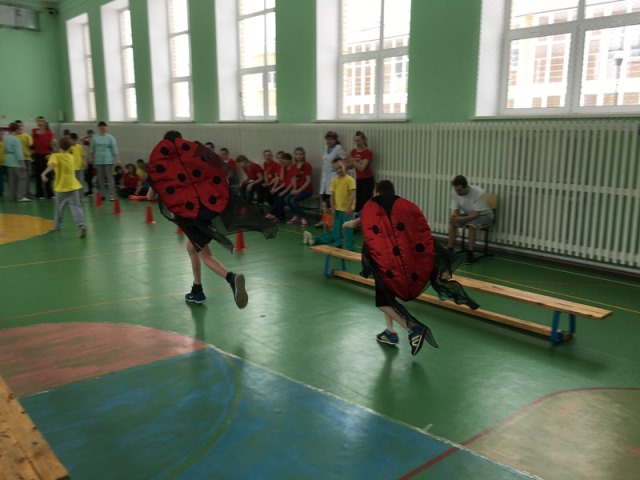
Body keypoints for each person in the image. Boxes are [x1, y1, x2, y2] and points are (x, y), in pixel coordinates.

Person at [146, 131, 277, 309]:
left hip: (189, 217)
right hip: (207, 210)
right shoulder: (193, 158)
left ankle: (231, 278)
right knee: (191, 248)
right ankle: (197, 289)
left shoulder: (162, 167)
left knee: (205, 255)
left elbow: (150, 196)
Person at [347, 180, 478, 356]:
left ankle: (413, 329)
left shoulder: (374, 207)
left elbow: (361, 221)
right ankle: (390, 332)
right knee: (388, 297)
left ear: (377, 193)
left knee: (383, 303)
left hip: (385, 263)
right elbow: (421, 233)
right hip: (401, 263)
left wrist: (348, 224)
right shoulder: (403, 206)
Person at [303, 159, 355, 250]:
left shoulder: (350, 180)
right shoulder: (334, 181)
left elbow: (352, 194)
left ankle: (350, 248)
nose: (339, 170)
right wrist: (333, 208)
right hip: (337, 210)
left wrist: (349, 207)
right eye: (336, 169)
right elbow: (332, 195)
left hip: (347, 211)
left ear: (345, 166)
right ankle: (337, 244)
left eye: (340, 167)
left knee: (348, 230)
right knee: (336, 229)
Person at [41, 136, 87, 238]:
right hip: (73, 186)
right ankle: (81, 225)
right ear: (69, 147)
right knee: (76, 207)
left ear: (58, 145)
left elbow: (53, 164)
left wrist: (44, 173)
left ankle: (56, 226)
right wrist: (51, 157)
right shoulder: (70, 156)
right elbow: (61, 159)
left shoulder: (55, 156)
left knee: (59, 208)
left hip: (61, 187)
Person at [447, 175, 494, 264]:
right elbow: (455, 210)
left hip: (484, 215)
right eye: (456, 190)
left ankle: (470, 253)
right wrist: (455, 218)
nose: (458, 193)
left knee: (472, 225)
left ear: (466, 187)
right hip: (469, 214)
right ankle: (450, 251)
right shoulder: (454, 192)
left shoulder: (478, 193)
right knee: (453, 223)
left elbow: (476, 215)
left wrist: (461, 219)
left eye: (460, 190)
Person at [89, 121, 120, 200]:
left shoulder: (110, 138)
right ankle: (102, 194)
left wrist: (117, 159)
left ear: (106, 127)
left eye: (104, 126)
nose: (102, 128)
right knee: (100, 178)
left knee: (109, 177)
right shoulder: (95, 138)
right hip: (98, 159)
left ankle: (112, 194)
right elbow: (92, 149)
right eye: (101, 126)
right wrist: (91, 157)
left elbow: (115, 149)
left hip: (108, 159)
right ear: (98, 128)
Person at [346, 130, 374, 215]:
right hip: (359, 180)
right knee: (357, 203)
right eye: (356, 141)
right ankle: (357, 219)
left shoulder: (368, 152)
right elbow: (351, 166)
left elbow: (362, 168)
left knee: (364, 203)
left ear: (364, 140)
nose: (357, 143)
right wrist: (346, 162)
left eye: (359, 141)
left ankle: (364, 219)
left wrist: (352, 159)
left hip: (367, 180)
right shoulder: (353, 151)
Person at [285, 147, 312, 226]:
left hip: (306, 190)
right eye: (297, 154)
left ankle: (302, 218)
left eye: (301, 154)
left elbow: (308, 181)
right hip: (297, 189)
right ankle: (296, 215)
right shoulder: (294, 166)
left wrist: (298, 191)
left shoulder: (307, 165)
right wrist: (294, 189)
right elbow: (293, 179)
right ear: (295, 155)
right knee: (286, 199)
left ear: (303, 155)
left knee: (293, 200)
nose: (299, 156)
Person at [3, 123, 30, 202]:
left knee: (12, 179)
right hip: (16, 161)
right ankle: (20, 196)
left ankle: (13, 195)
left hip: (8, 160)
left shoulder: (6, 138)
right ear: (16, 129)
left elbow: (4, 150)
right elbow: (18, 152)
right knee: (22, 177)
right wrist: (22, 163)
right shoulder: (16, 139)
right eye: (19, 129)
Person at [31, 116, 56, 199]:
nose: (40, 123)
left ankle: (49, 193)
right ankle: (40, 193)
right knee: (38, 175)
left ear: (44, 123)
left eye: (42, 121)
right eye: (38, 121)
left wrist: (51, 154)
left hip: (47, 156)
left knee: (48, 175)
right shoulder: (34, 131)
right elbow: (33, 144)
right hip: (38, 156)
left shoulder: (50, 133)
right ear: (36, 122)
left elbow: (51, 145)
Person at [266, 152, 294, 221]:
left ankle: (277, 214)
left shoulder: (293, 168)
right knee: (270, 194)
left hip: (291, 187)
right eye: (279, 158)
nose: (281, 160)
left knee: (280, 197)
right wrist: (274, 188)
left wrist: (282, 191)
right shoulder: (284, 167)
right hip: (284, 186)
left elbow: (290, 183)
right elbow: (281, 179)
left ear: (290, 160)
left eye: (283, 159)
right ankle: (275, 213)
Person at [82, 129, 95, 196]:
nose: (90, 136)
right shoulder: (88, 141)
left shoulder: (95, 141)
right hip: (90, 161)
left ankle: (91, 190)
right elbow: (81, 139)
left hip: (94, 160)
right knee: (89, 176)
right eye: (89, 134)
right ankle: (90, 190)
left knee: (90, 176)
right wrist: (87, 136)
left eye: (91, 134)